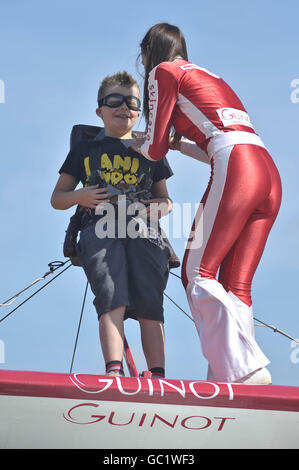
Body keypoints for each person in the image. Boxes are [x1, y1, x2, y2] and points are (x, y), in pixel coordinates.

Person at [132, 23, 282, 384]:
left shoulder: (163, 71)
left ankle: (243, 369)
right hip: (267, 170)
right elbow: (221, 136)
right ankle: (226, 376)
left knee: (196, 273)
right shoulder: (205, 74)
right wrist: (177, 145)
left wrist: (138, 143)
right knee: (237, 286)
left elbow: (153, 149)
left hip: (237, 166)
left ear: (150, 50)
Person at [51, 71, 173, 377]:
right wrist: (79, 195)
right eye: (115, 100)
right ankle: (114, 371)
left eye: (132, 102)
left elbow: (166, 200)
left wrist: (156, 209)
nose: (124, 108)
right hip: (99, 228)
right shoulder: (85, 149)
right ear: (99, 110)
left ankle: (157, 374)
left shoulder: (150, 149)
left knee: (150, 301)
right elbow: (58, 197)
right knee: (111, 295)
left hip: (143, 231)